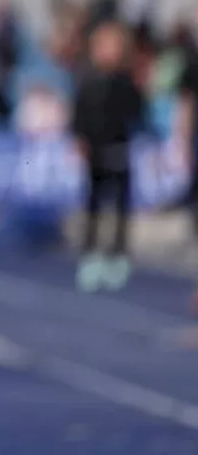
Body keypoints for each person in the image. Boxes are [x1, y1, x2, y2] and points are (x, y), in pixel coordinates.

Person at [71, 19, 145, 292]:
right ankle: (91, 254)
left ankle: (118, 255)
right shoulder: (88, 81)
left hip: (119, 149)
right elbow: (79, 114)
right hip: (95, 151)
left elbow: (137, 112)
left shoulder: (126, 82)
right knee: (93, 204)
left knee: (120, 206)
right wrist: (79, 139)